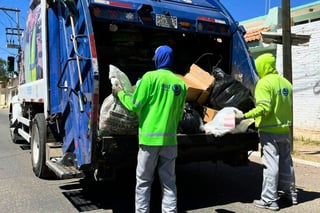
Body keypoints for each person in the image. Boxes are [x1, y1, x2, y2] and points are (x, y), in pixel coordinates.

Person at [113, 45, 187, 213]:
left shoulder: (149, 78)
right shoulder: (180, 83)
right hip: (170, 141)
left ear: (159, 58)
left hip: (149, 141)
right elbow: (180, 114)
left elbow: (134, 106)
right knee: (169, 183)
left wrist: (120, 93)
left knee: (144, 181)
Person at [240, 53, 297, 211]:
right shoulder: (286, 83)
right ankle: (290, 195)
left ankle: (269, 200)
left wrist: (245, 116)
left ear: (263, 67)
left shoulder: (264, 83)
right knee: (286, 163)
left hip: (269, 130)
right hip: (284, 129)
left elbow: (264, 108)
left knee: (270, 165)